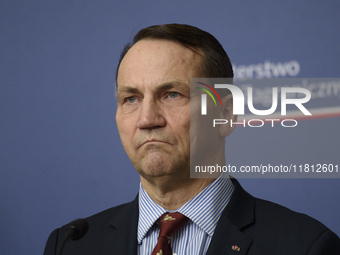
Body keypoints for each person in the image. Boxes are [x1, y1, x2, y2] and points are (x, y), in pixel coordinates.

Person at [44, 23, 340, 255]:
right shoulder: (71, 245)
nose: (147, 119)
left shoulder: (305, 246)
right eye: (131, 98)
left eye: (172, 94)